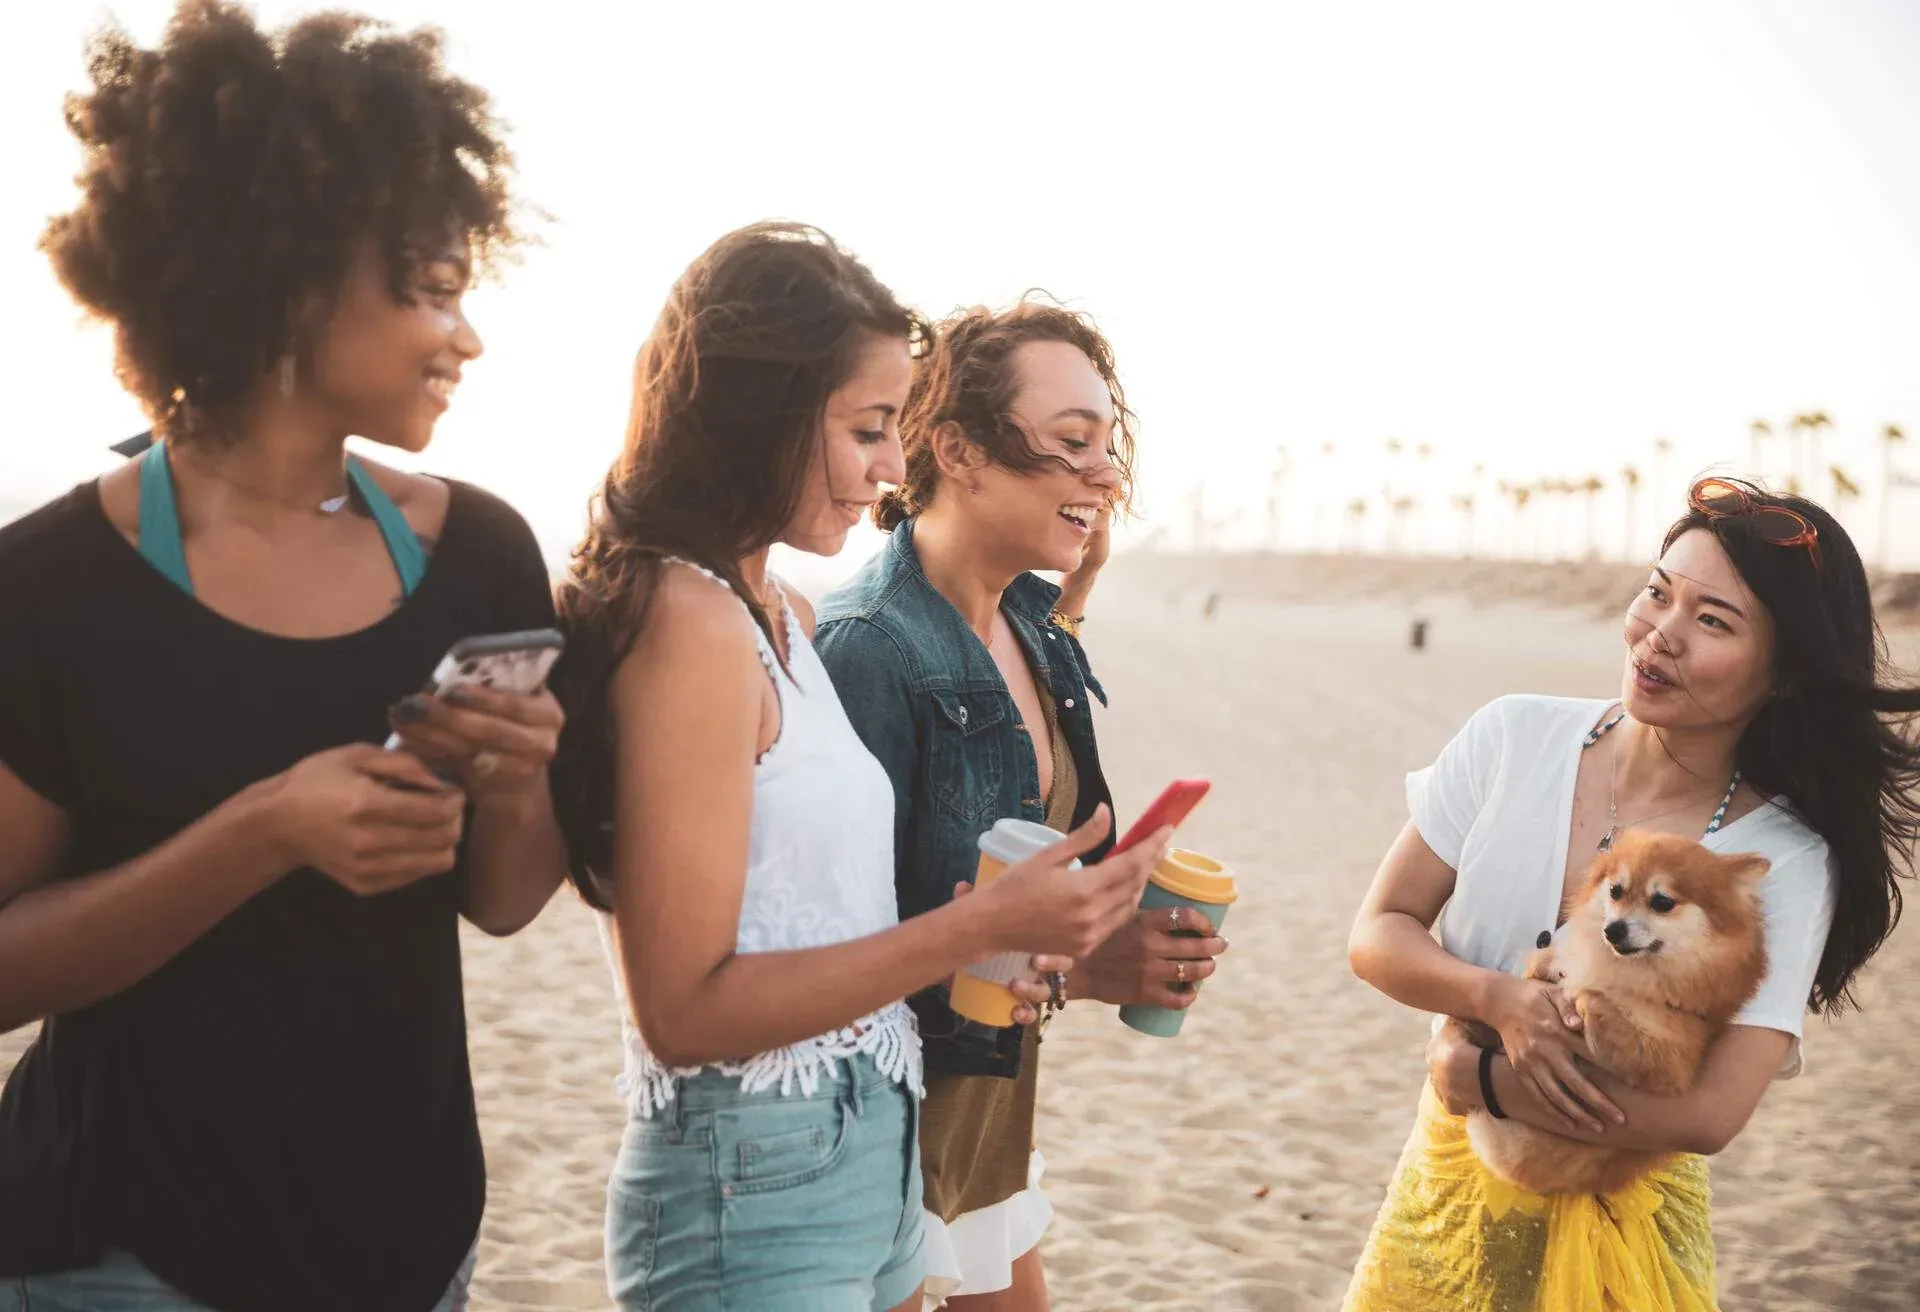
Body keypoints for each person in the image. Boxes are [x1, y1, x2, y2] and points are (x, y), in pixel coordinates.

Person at [0, 5, 570, 1309]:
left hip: (414, 1248)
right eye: (427, 289)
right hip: (125, 1262)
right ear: (288, 278)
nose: (465, 333)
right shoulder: (45, 590)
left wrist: (519, 777)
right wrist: (261, 832)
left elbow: (502, 897)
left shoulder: (481, 549)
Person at [548, 224, 1170, 1312]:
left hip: (869, 1145)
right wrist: (984, 928)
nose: (894, 464)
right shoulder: (729, 626)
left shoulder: (778, 614)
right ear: (767, 415)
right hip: (771, 1170)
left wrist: (1071, 954)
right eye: (872, 428)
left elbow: (845, 910)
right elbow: (685, 1009)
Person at [1343, 477, 1918, 1311]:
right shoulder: (1513, 737)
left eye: (1712, 620)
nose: (1661, 635)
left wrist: (1484, 1078)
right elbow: (1379, 931)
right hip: (1448, 1187)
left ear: (1787, 673)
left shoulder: (1778, 858)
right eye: (1658, 593)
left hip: (1630, 1215)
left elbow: (1710, 1116)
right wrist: (1495, 1002)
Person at [814, 299, 1229, 1310]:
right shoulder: (867, 650)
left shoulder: (1033, 630)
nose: (1105, 475)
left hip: (985, 1136)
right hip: (882, 1153)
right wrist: (1080, 966)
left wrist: (1108, 933)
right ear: (955, 449)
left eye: (1107, 446)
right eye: (1071, 444)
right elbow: (842, 967)